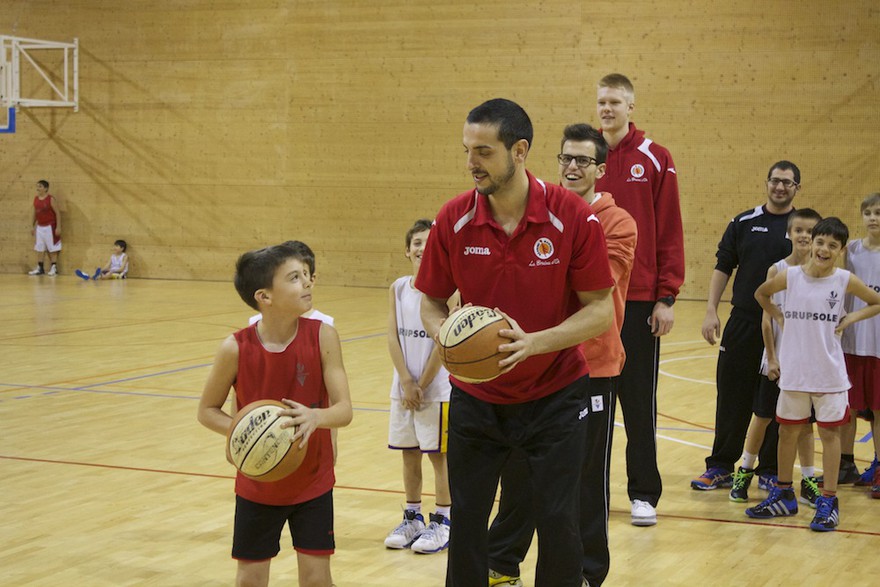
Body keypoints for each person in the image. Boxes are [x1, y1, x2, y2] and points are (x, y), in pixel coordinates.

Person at [415, 98, 614, 587]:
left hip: (555, 397)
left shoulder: (572, 218)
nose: (471, 163)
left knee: (559, 522)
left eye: (483, 151)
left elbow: (600, 311)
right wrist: (446, 334)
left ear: (519, 150)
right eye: (467, 150)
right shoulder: (454, 219)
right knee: (467, 521)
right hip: (477, 399)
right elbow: (431, 302)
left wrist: (535, 343)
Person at [486, 123, 636, 587]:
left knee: (584, 479)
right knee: (519, 472)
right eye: (566, 159)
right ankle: (501, 562)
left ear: (600, 168)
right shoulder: (540, 213)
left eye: (583, 161)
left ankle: (588, 572)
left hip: (590, 367)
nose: (573, 167)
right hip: (533, 365)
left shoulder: (616, 222)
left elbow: (586, 292)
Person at [197, 241, 353, 587]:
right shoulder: (235, 347)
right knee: (250, 579)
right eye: (295, 278)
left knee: (316, 578)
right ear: (264, 297)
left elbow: (344, 410)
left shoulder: (323, 336)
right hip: (257, 479)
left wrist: (317, 418)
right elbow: (207, 411)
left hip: (311, 479)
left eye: (307, 276)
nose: (308, 283)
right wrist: (241, 430)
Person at [749, 217, 880, 531]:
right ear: (812, 242)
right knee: (787, 433)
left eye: (832, 246)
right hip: (795, 369)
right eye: (820, 242)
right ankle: (783, 495)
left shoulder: (844, 279)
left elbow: (876, 302)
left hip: (828, 373)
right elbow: (760, 295)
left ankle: (829, 500)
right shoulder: (790, 276)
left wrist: (849, 321)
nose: (824, 249)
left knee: (830, 434)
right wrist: (779, 315)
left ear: (840, 250)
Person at [594, 73, 684, 522]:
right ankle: (589, 490)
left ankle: (644, 492)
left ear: (631, 106)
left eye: (614, 102)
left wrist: (667, 295)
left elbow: (668, 227)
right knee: (593, 399)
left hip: (642, 299)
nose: (606, 109)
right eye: (601, 102)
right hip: (592, 299)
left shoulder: (654, 157)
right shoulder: (584, 156)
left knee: (637, 399)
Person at [693, 161, 803, 491]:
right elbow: (723, 265)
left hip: (785, 327)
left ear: (797, 188)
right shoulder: (743, 221)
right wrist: (711, 310)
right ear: (767, 182)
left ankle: (769, 469)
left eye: (787, 182)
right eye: (775, 180)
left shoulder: (803, 226)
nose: (780, 187)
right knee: (731, 394)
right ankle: (721, 465)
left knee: (775, 399)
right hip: (743, 321)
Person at [728, 209, 822, 506]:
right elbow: (766, 320)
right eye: (799, 230)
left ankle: (807, 479)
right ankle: (744, 471)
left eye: (810, 231)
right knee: (763, 416)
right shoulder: (777, 270)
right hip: (778, 359)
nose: (805, 236)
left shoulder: (823, 275)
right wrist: (771, 358)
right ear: (789, 234)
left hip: (806, 363)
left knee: (806, 423)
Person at [383, 219, 454, 554]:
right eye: (416, 242)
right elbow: (392, 336)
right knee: (409, 455)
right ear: (406, 249)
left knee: (439, 457)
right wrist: (406, 381)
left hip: (435, 390)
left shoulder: (448, 292)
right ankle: (413, 516)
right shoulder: (398, 288)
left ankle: (443, 520)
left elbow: (446, 343)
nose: (422, 248)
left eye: (429, 242)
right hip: (404, 389)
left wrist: (422, 384)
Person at [841, 193, 880, 498]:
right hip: (853, 342)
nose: (873, 218)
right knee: (850, 408)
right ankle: (845, 462)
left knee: (878, 409)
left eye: (878, 212)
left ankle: (879, 466)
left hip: (878, 345)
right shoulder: (852, 249)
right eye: (867, 212)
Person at [28, 180, 62, 276]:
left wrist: (58, 227)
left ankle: (54, 268)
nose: (38, 188)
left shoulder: (50, 199)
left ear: (46, 188)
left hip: (50, 226)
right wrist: (32, 225)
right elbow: (35, 213)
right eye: (37, 186)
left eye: (40, 186)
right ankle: (40, 268)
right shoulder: (36, 199)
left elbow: (57, 213)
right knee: (40, 247)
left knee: (52, 247)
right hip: (40, 227)